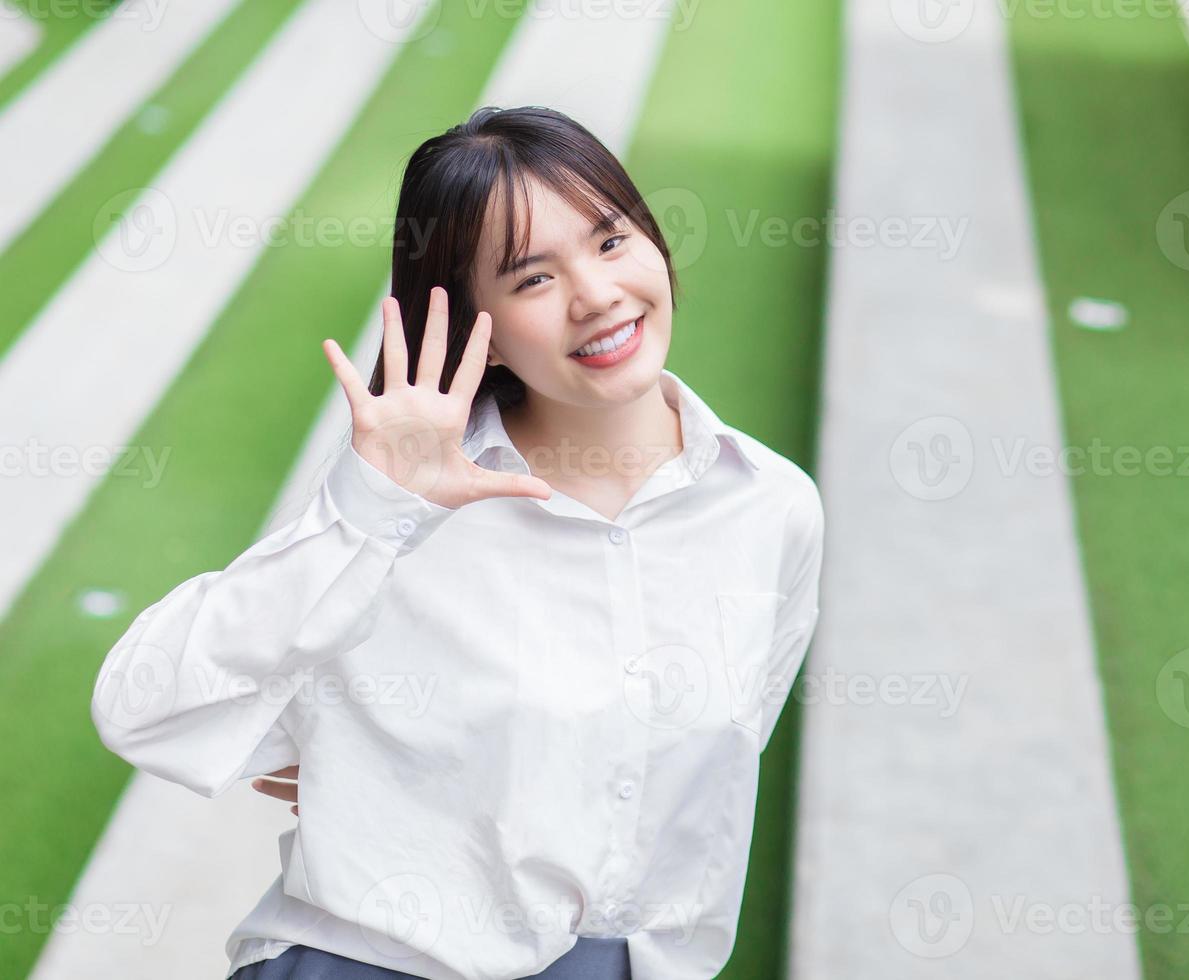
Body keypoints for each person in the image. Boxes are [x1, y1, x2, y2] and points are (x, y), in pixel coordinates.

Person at [89, 105, 825, 980]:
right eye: (532, 279)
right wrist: (369, 514)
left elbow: (710, 765)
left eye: (610, 240)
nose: (595, 295)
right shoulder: (404, 508)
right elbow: (143, 709)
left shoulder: (772, 507)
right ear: (474, 323)